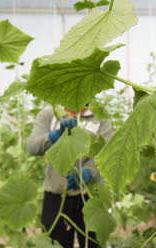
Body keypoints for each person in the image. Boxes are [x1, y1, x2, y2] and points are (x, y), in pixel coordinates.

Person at [27, 105, 112, 248]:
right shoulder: (50, 114)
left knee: (93, 243)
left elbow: (106, 151)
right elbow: (32, 147)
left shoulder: (99, 116)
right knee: (54, 242)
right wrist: (54, 136)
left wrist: (89, 172)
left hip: (90, 195)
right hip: (56, 195)